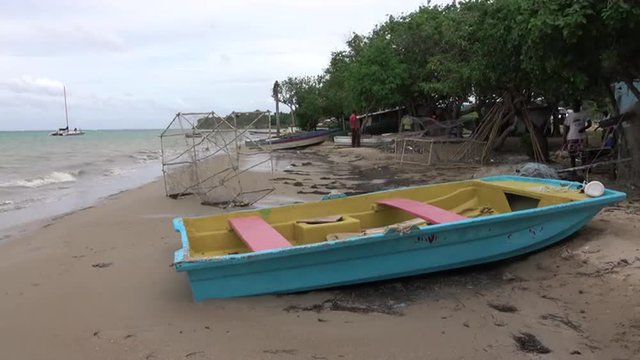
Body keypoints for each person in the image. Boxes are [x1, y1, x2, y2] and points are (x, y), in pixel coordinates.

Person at [563, 100, 592, 167]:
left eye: (576, 106)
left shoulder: (584, 114)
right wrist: (564, 139)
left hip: (581, 137)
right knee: (572, 154)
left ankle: (583, 167)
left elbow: (590, 123)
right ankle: (573, 168)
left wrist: (583, 128)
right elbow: (566, 128)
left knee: (583, 154)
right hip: (571, 137)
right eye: (573, 106)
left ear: (579, 106)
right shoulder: (570, 116)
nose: (574, 107)